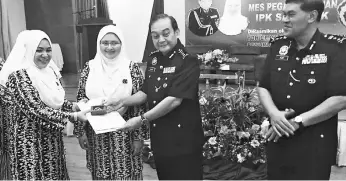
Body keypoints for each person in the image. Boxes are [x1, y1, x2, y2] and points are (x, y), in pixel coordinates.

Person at [257, 0, 346, 180]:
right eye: (283, 14)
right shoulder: (278, 46)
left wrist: (298, 122)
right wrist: (274, 114)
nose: (284, 19)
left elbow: (341, 98)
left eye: (291, 14)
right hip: (278, 138)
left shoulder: (337, 48)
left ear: (311, 16)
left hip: (314, 143)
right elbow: (263, 86)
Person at [105, 14, 204, 180]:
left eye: (166, 33)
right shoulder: (154, 59)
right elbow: (145, 93)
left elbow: (173, 100)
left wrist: (141, 119)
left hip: (184, 140)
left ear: (177, 32)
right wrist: (121, 101)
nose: (161, 40)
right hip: (161, 138)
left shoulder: (188, 61)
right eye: (155, 36)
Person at [1, 30, 88, 180]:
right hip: (29, 143)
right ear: (28, 50)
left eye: (48, 50)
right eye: (39, 50)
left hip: (51, 139)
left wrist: (74, 106)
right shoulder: (18, 76)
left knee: (54, 174)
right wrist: (73, 116)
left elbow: (54, 100)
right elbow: (36, 110)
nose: (45, 55)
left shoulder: (49, 71)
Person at [73, 25, 149, 180]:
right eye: (105, 42)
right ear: (98, 44)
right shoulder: (90, 67)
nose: (109, 47)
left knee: (128, 173)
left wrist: (139, 137)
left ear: (122, 44)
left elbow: (140, 104)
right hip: (96, 135)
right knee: (101, 173)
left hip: (125, 133)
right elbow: (81, 99)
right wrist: (80, 132)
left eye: (114, 42)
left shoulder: (131, 68)